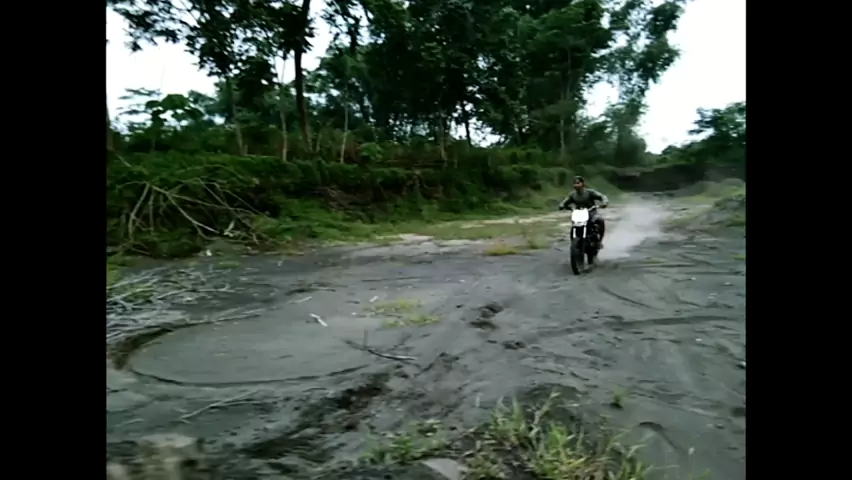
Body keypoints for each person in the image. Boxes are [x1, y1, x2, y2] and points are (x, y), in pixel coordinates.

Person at [558, 176, 609, 247]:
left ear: (582, 184)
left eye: (578, 183)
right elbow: (565, 201)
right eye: (574, 183)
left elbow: (602, 196)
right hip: (578, 213)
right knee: (574, 225)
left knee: (600, 220)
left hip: (591, 212)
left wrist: (604, 202)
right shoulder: (572, 195)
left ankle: (599, 241)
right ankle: (574, 242)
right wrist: (562, 205)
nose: (576, 185)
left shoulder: (590, 192)